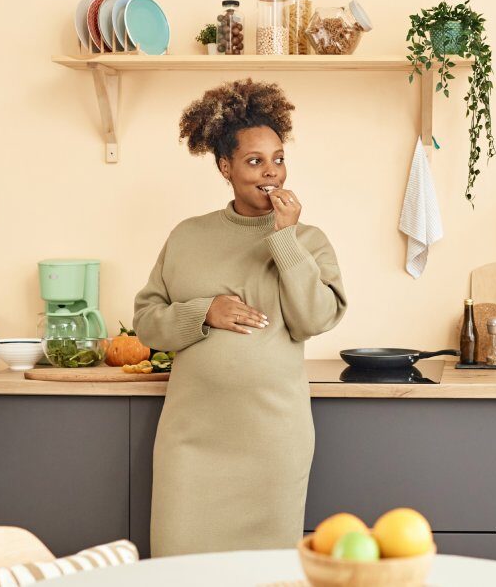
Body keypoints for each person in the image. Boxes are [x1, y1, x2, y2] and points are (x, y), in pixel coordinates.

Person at [133, 78, 347, 555]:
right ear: (225, 167)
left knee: (263, 574)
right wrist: (203, 311)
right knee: (178, 571)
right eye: (254, 161)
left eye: (278, 159)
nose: (271, 173)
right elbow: (148, 321)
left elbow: (314, 319)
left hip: (273, 441)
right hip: (192, 442)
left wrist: (285, 239)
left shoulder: (308, 239)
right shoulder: (188, 236)